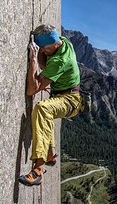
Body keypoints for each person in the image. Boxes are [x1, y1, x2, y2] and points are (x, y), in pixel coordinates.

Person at [18, 24, 82, 186]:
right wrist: (41, 50)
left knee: (42, 109)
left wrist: (33, 58)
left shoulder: (61, 60)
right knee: (47, 109)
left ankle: (38, 170)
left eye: (44, 48)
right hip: (67, 94)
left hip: (70, 101)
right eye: (40, 49)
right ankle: (51, 154)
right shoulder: (64, 42)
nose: (43, 51)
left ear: (54, 44)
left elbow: (32, 90)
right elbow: (46, 66)